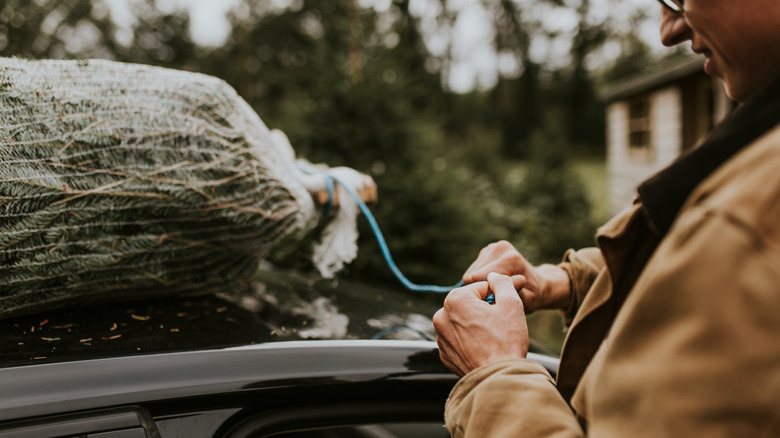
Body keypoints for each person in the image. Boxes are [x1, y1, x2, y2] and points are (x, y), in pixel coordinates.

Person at [433, 0, 780, 436]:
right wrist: (564, 282)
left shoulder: (754, 217)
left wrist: (494, 372)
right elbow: (698, 266)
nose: (668, 30)